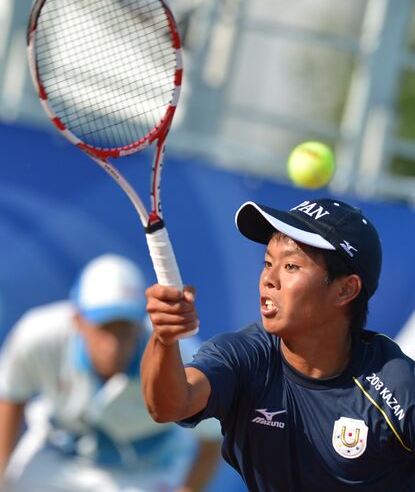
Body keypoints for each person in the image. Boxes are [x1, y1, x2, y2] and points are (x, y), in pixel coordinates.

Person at [141, 197, 415, 491]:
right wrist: (163, 338)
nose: (268, 279)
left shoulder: (396, 386)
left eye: (291, 266)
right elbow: (170, 405)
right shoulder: (245, 355)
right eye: (268, 262)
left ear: (345, 289)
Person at [0, 254, 222, 492]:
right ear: (78, 320)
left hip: (150, 469)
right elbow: (11, 399)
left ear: (140, 324)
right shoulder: (37, 335)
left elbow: (211, 440)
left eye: (124, 328)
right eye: (104, 327)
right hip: (56, 455)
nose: (113, 345)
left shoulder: (183, 358)